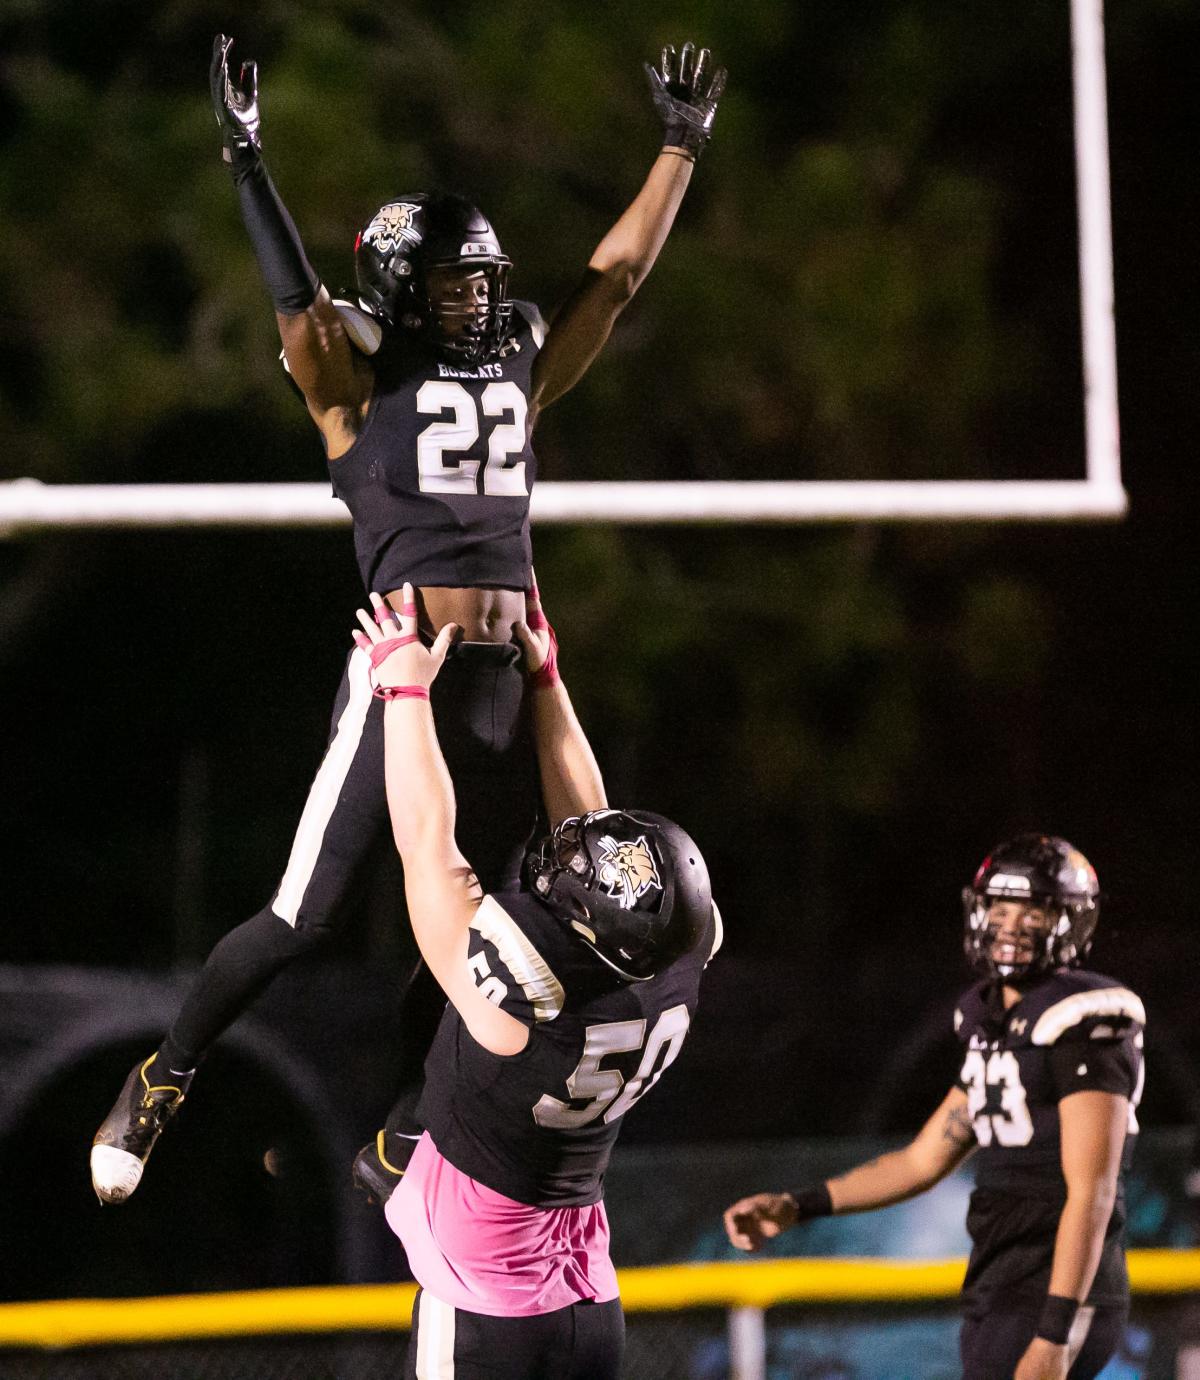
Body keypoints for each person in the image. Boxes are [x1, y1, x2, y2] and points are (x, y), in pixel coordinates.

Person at [89, 34, 727, 1205]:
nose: (478, 299)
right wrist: (246, 162)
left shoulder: (517, 358)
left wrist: (680, 148)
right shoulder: (350, 388)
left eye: (483, 278)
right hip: (404, 679)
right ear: (396, 290)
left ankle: (400, 1129)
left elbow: (618, 277)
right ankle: (165, 1075)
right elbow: (293, 299)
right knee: (303, 916)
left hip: (501, 676)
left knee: (499, 921)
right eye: (453, 284)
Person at [353, 581, 718, 1378]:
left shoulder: (526, 997)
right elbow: (589, 826)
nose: (558, 862)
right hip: (587, 1304)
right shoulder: (671, 964)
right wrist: (547, 678)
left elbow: (427, 843)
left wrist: (404, 684)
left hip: (488, 1312)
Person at [723, 835, 1145, 1380]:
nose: (1011, 924)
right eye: (1000, 905)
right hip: (1000, 1277)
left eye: (1033, 910)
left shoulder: (1084, 1021)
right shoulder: (993, 1024)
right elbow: (921, 1161)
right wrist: (796, 1205)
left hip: (1058, 1291)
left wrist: (1053, 1333)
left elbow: (1094, 1189)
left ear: (1068, 921)